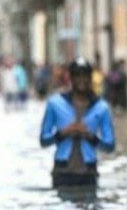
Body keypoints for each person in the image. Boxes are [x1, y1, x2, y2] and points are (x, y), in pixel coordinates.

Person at [39, 57, 116, 188]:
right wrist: (64, 132)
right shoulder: (55, 104)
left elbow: (110, 145)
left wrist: (90, 136)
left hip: (89, 172)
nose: (81, 80)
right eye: (77, 75)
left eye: (85, 76)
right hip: (62, 171)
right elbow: (44, 140)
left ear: (90, 78)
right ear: (71, 78)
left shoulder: (101, 107)